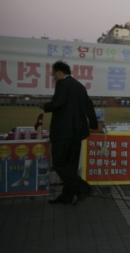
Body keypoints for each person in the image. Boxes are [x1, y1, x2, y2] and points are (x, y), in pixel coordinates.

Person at [41, 61, 98, 205]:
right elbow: (88, 105)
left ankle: (83, 188)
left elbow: (58, 103)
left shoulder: (62, 84)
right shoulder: (79, 85)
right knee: (70, 165)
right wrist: (93, 123)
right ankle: (67, 196)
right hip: (77, 131)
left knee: (59, 164)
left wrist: (45, 106)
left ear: (59, 72)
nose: (53, 77)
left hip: (64, 132)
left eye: (53, 73)